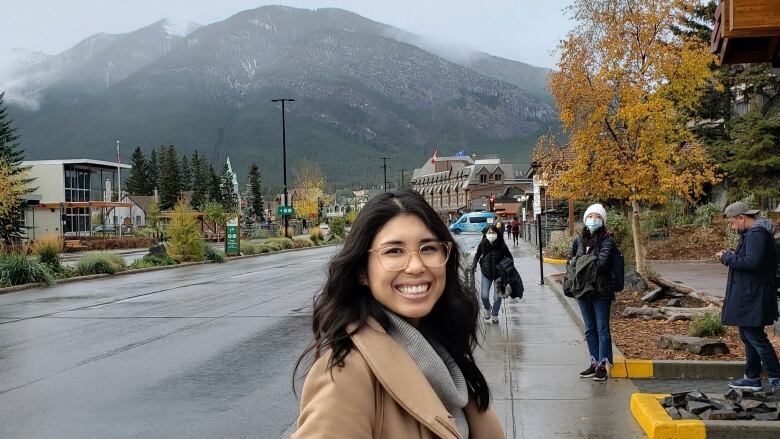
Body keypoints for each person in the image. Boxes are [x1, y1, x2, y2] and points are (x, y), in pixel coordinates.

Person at [292, 189, 503, 439]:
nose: (416, 266)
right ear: (362, 271)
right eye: (394, 251)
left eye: (428, 248)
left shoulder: (443, 352)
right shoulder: (345, 376)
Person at [715, 201, 780, 392]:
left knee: (754, 336)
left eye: (733, 223)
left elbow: (751, 262)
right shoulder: (754, 234)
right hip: (753, 294)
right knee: (748, 334)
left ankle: (776, 375)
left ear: (742, 218)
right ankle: (752, 377)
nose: (732, 227)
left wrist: (726, 258)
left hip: (754, 296)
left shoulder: (756, 235)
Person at [568, 203, 617, 382]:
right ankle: (594, 361)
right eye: (590, 216)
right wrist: (584, 262)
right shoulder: (579, 240)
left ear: (602, 220)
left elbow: (602, 265)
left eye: (597, 217)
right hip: (582, 290)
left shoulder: (608, 240)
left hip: (601, 290)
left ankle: (604, 365)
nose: (593, 219)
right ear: (585, 219)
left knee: (602, 328)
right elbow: (570, 261)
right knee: (589, 329)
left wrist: (580, 262)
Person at [471, 224, 512, 324]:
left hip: (499, 274)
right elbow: (477, 255)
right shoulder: (483, 243)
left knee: (497, 297)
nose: (491, 234)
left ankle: (494, 314)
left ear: (497, 233)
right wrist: (474, 264)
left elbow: (509, 257)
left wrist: (508, 269)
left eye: (493, 232)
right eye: (489, 233)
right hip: (486, 272)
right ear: (486, 234)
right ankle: (487, 308)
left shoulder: (502, 244)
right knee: (484, 295)